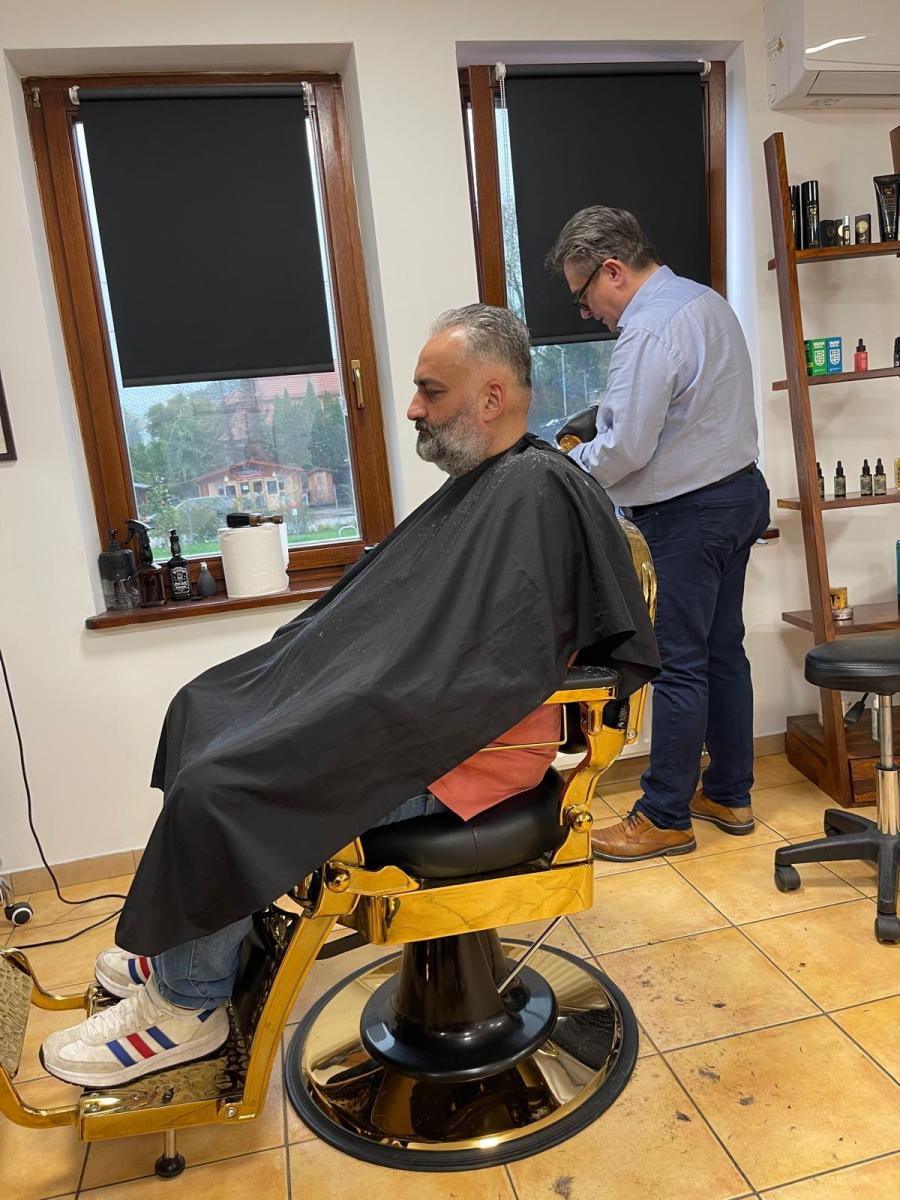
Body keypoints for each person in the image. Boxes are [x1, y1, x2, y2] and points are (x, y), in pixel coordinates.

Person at [42, 304, 658, 1088]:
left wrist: (340, 706)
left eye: (431, 391)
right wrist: (322, 680)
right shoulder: (494, 483)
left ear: (492, 397)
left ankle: (188, 1005)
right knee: (207, 705)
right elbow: (427, 637)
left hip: (462, 760)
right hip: (426, 725)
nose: (412, 409)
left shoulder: (538, 496)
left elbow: (483, 663)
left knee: (223, 786)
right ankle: (185, 952)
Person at [547, 206, 770, 862]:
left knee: (678, 663)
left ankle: (663, 815)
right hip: (739, 495)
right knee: (723, 650)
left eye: (584, 295)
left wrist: (564, 465)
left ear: (613, 270)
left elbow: (626, 449)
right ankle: (729, 792)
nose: (587, 312)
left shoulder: (646, 331)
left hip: (688, 514)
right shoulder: (705, 301)